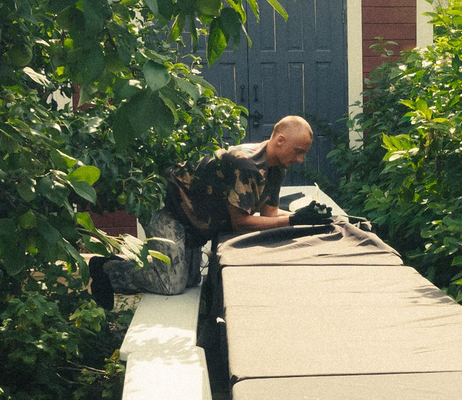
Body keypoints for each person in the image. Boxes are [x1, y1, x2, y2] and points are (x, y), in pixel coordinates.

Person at [91, 115, 316, 301]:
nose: (300, 160)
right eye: (298, 151)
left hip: (193, 219)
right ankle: (108, 269)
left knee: (190, 280)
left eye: (304, 153)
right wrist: (294, 221)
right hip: (166, 207)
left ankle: (131, 266)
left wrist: (307, 217)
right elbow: (241, 223)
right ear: (280, 140)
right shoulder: (246, 164)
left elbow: (270, 215)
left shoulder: (276, 169)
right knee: (171, 283)